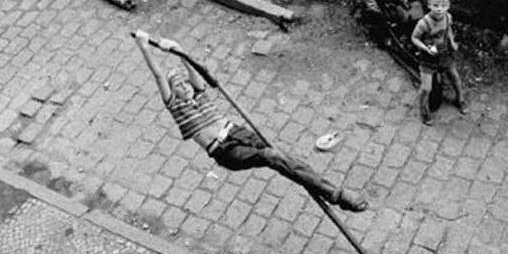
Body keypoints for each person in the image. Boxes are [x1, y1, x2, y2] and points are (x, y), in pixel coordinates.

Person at [134, 30, 368, 212]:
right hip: (226, 150)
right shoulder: (176, 106)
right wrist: (144, 45)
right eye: (178, 85)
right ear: (173, 91)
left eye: (184, 83)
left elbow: (194, 69)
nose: (184, 86)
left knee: (284, 159)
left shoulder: (200, 95)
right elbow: (157, 74)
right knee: (273, 157)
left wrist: (179, 50)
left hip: (239, 132)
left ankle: (324, 188)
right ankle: (336, 194)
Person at [410, 0, 466, 125]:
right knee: (426, 88)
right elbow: (414, 38)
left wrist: (452, 42)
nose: (439, 9)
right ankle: (424, 112)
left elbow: (448, 31)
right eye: (435, 5)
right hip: (428, 59)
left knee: (455, 78)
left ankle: (460, 100)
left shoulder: (448, 17)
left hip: (444, 55)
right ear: (429, 5)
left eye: (443, 5)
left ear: (448, 5)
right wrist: (424, 48)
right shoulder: (424, 23)